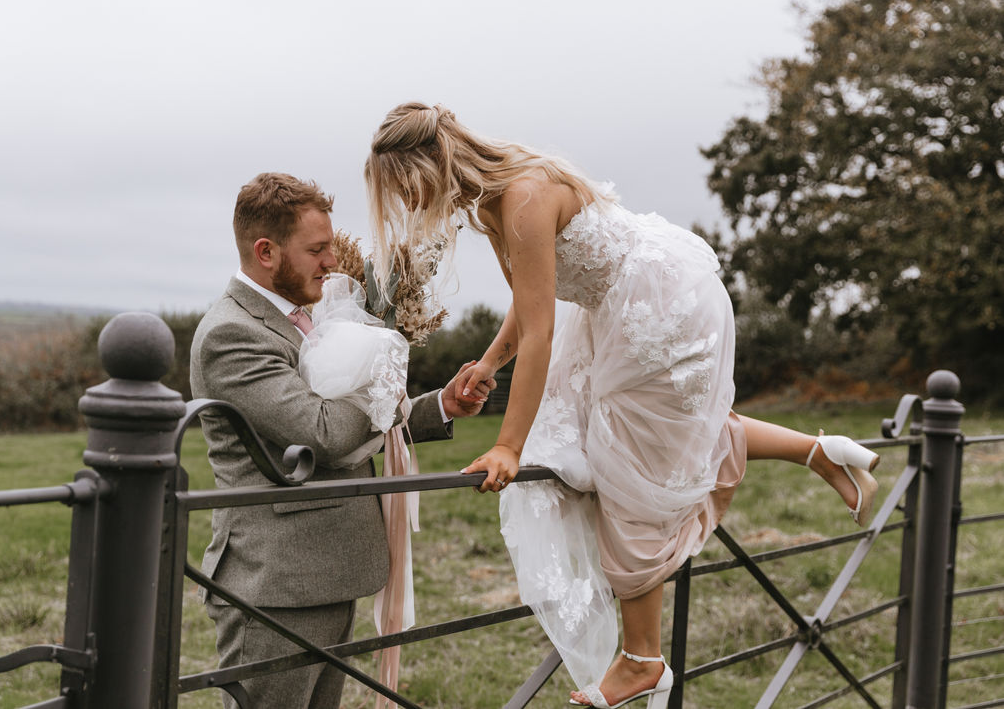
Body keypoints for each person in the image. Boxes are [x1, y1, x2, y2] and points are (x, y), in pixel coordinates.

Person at [364, 103, 880, 709]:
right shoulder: (495, 199)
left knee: (627, 462)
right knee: (665, 433)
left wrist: (508, 444)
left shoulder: (522, 198)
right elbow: (533, 304)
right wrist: (488, 364)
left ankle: (643, 661)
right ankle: (820, 452)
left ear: (433, 163)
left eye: (406, 187)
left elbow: (541, 333)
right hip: (624, 298)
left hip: (655, 302)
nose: (408, 202)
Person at [190, 172, 489, 709]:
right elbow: (323, 432)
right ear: (265, 251)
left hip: (328, 568)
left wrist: (439, 405)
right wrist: (380, 375)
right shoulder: (232, 334)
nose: (332, 261)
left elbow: (358, 420)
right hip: (277, 584)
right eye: (317, 249)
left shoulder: (311, 313)